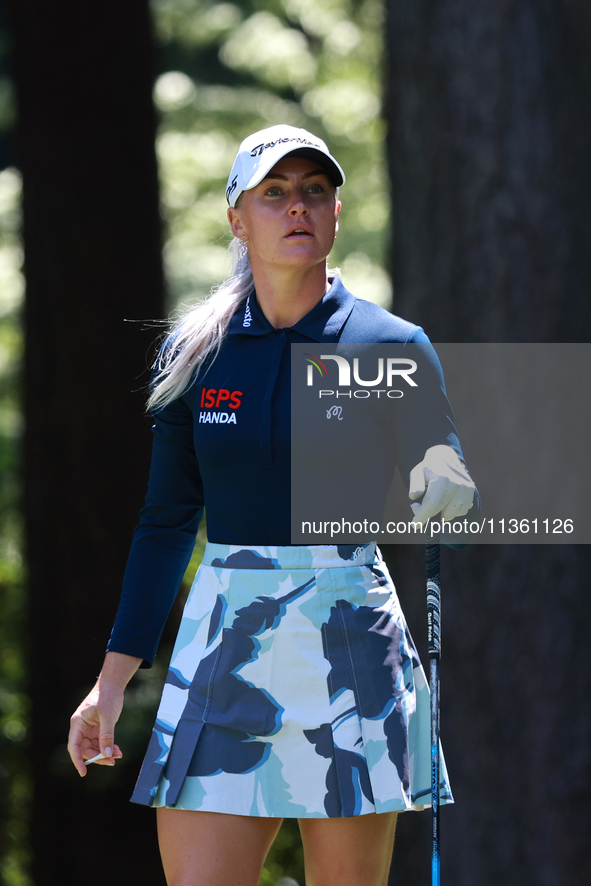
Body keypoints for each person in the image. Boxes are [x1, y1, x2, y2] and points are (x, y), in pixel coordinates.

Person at [68, 124, 476, 886]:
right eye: (275, 194)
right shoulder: (195, 351)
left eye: (314, 192)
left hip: (349, 636)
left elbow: (439, 459)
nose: (297, 208)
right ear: (236, 218)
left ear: (335, 213)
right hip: (224, 636)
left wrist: (442, 480)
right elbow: (165, 521)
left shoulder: (391, 343)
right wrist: (111, 679)